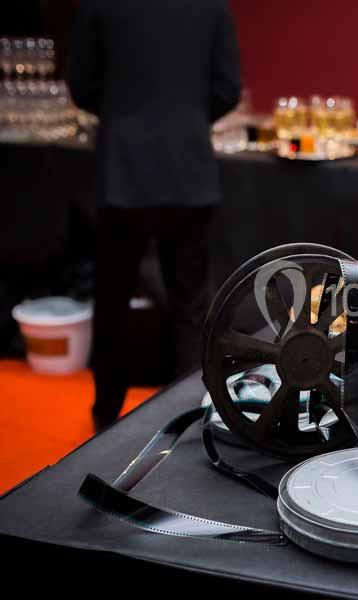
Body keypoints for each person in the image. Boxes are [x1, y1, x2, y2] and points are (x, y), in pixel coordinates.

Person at [69, 0, 241, 430]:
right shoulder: (211, 6)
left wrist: (124, 114)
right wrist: (184, 119)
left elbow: (82, 85)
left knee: (112, 303)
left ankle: (104, 416)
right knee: (190, 304)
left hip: (122, 168)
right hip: (187, 166)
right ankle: (187, 417)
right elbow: (227, 88)